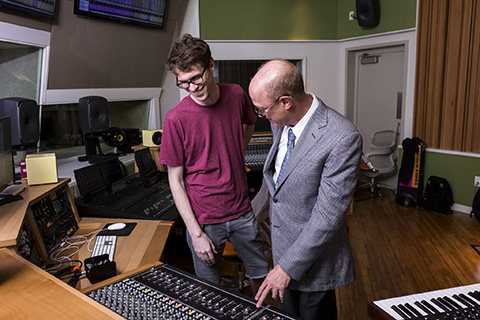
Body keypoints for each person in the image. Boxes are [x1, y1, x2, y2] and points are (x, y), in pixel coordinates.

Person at [248, 59, 362, 320]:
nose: (261, 115)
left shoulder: (342, 137)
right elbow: (277, 186)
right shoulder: (282, 122)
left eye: (262, 109)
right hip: (282, 254)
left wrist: (286, 267)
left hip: (315, 262)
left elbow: (328, 216)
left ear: (286, 101)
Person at [158, 34, 269, 291]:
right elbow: (175, 181)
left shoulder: (237, 94)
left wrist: (236, 151)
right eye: (183, 82)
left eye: (196, 77)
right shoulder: (175, 119)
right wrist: (196, 234)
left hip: (242, 211)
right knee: (209, 290)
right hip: (204, 220)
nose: (192, 87)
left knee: (262, 279)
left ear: (211, 65)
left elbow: (249, 122)